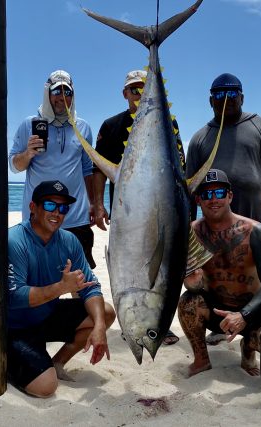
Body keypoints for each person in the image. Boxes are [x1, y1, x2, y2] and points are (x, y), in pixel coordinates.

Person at [185, 72, 261, 345]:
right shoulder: (199, 138)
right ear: (210, 101)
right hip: (212, 232)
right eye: (219, 94)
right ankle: (223, 324)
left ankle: (250, 331)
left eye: (232, 93)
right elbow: (189, 188)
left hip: (254, 223)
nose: (226, 98)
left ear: (242, 96)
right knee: (220, 278)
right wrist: (188, 229)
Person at [92, 69, 184, 345]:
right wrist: (97, 204)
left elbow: (178, 170)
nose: (138, 94)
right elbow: (98, 170)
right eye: (133, 89)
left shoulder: (171, 124)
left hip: (159, 216)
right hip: (127, 217)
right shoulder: (110, 125)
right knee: (128, 263)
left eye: (143, 88)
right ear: (124, 94)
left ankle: (156, 324)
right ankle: (144, 321)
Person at [7, 180, 116, 398]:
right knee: (45, 388)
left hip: (47, 316)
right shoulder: (15, 240)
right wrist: (61, 287)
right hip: (16, 326)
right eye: (49, 205)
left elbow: (91, 287)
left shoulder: (69, 241)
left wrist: (100, 328)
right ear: (33, 207)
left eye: (63, 207)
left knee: (104, 312)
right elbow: (14, 297)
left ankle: (57, 362)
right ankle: (9, 363)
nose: (57, 212)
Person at [178, 169, 261, 377]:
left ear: (230, 196)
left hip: (252, 314)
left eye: (219, 193)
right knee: (188, 303)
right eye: (206, 194)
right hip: (217, 313)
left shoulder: (253, 231)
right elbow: (193, 283)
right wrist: (192, 283)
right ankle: (201, 360)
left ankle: (248, 349)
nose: (213, 200)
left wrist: (244, 315)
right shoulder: (192, 233)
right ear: (198, 200)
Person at [9, 69, 98, 268]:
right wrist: (28, 153)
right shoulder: (29, 124)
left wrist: (93, 203)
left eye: (68, 92)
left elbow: (86, 168)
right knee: (42, 279)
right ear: (47, 93)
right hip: (39, 218)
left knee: (80, 282)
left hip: (75, 217)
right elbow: (13, 166)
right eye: (57, 91)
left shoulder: (83, 127)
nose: (62, 97)